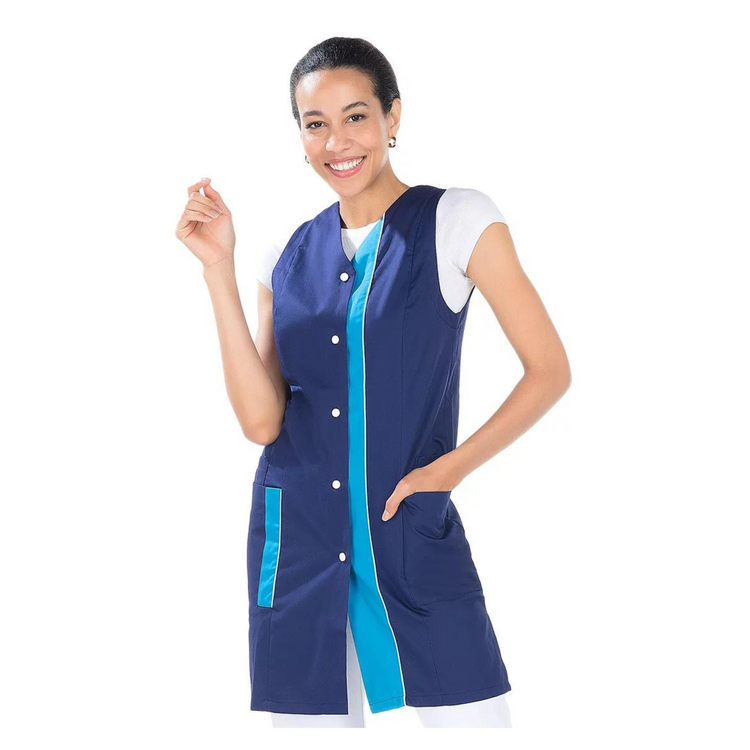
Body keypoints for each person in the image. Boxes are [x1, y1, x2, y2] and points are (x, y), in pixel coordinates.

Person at [174, 36, 571, 729]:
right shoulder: (285, 254)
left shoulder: (457, 220)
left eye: (356, 116)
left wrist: (445, 473)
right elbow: (262, 422)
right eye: (316, 124)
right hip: (298, 544)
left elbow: (549, 371)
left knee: (475, 725)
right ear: (300, 137)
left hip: (409, 536)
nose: (337, 142)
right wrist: (217, 271)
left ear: (393, 116)